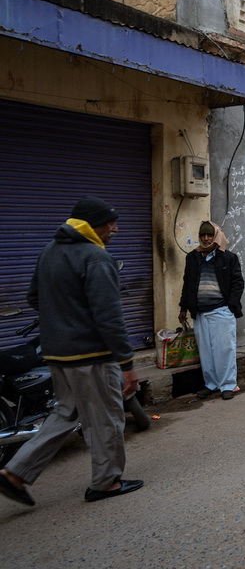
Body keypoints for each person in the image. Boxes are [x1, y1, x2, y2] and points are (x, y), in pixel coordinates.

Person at [0, 196, 142, 506]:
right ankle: (107, 482)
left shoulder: (50, 251)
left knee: (66, 413)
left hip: (56, 355)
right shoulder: (96, 257)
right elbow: (110, 317)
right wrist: (127, 363)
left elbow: (34, 298)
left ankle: (15, 473)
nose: (115, 228)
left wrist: (63, 323)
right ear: (92, 226)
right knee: (106, 417)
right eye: (110, 223)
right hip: (91, 357)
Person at [179, 221, 244, 400]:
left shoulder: (228, 257)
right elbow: (188, 284)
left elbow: (238, 283)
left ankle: (228, 385)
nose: (205, 239)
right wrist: (183, 307)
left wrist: (231, 305)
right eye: (202, 235)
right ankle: (212, 384)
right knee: (206, 352)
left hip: (221, 311)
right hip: (200, 313)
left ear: (215, 237)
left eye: (209, 235)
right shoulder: (192, 257)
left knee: (224, 350)